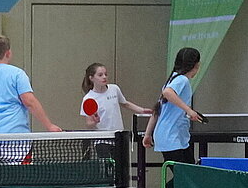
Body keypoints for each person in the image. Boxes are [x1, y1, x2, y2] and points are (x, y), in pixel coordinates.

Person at [0, 35, 62, 163]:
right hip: (16, 142)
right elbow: (30, 102)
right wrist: (49, 126)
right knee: (19, 175)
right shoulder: (17, 74)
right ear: (8, 53)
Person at [142, 47, 204, 177]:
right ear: (196, 65)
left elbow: (157, 110)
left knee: (190, 175)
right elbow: (167, 93)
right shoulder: (182, 80)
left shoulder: (172, 80)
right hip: (171, 137)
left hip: (174, 137)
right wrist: (189, 110)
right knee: (186, 178)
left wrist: (147, 134)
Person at [81, 62, 151, 131]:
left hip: (119, 133)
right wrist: (95, 122)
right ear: (91, 78)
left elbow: (125, 103)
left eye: (106, 74)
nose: (104, 77)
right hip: (103, 136)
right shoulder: (88, 98)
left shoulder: (114, 89)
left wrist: (142, 110)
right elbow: (88, 124)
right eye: (100, 75)